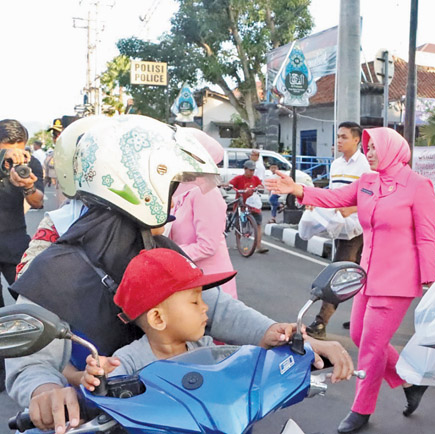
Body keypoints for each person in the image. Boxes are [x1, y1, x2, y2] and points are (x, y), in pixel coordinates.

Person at [6, 116, 354, 433]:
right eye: (171, 187)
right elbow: (32, 361)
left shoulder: (156, 246)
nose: (174, 201)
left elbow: (213, 307)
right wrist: (46, 389)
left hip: (186, 412)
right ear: (137, 183)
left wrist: (289, 338)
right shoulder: (55, 268)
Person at [267, 127, 435, 433]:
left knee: (372, 347)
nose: (369, 152)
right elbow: (334, 197)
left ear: (391, 148)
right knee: (361, 336)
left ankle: (361, 409)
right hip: (367, 275)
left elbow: (426, 235)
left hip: (398, 280)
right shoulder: (368, 182)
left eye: (374, 147)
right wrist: (296, 190)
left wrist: (430, 279)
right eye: (367, 147)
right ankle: (409, 381)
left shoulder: (416, 185)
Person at [80, 248, 237, 390]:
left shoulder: (206, 348)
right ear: (157, 318)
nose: (205, 307)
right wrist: (100, 376)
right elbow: (110, 388)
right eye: (195, 301)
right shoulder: (127, 362)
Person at [306, 121, 371, 339]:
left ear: (356, 140)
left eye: (344, 137)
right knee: (359, 275)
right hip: (342, 228)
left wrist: (352, 208)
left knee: (339, 274)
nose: (339, 141)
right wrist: (316, 201)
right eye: (338, 137)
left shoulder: (365, 165)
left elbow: (372, 196)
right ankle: (362, 320)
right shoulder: (336, 165)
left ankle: (320, 323)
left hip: (362, 227)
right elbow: (333, 194)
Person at [168, 128, 238, 298]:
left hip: (211, 286)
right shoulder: (180, 189)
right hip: (189, 280)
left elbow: (207, 246)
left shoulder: (205, 192)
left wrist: (169, 255)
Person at [0, 119, 44, 307]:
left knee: (33, 302)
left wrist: (28, 186)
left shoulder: (30, 163)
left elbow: (37, 202)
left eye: (20, 152)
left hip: (14, 240)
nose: (16, 159)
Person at [229, 160, 268, 254]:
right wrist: (228, 186)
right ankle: (238, 242)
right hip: (241, 205)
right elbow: (230, 184)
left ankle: (258, 246)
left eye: (253, 170)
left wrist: (259, 188)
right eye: (250, 170)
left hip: (253, 205)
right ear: (245, 169)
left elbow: (261, 186)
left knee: (258, 224)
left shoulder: (256, 179)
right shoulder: (238, 178)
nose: (251, 172)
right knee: (239, 224)